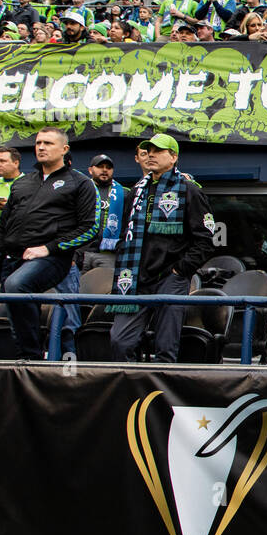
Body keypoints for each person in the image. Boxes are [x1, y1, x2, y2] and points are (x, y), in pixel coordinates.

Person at [0, 127, 100, 360]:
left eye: (48, 143)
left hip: (53, 258)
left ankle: (32, 356)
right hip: (13, 258)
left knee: (16, 286)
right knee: (16, 305)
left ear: (64, 149)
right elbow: (2, 227)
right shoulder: (23, 184)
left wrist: (49, 248)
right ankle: (28, 359)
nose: (41, 147)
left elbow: (91, 228)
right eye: (38, 143)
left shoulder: (80, 183)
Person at [107, 134, 215, 363]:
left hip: (170, 278)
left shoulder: (189, 190)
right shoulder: (136, 191)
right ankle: (131, 391)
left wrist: (180, 270)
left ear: (173, 156)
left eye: (158, 151)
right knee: (120, 341)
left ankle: (159, 396)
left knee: (166, 347)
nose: (151, 155)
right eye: (148, 151)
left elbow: (206, 239)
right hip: (135, 277)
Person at [79, 153, 126, 276]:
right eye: (100, 167)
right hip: (82, 252)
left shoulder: (124, 193)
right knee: (76, 290)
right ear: (90, 170)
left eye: (108, 167)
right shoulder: (80, 190)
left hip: (108, 254)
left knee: (106, 289)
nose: (104, 170)